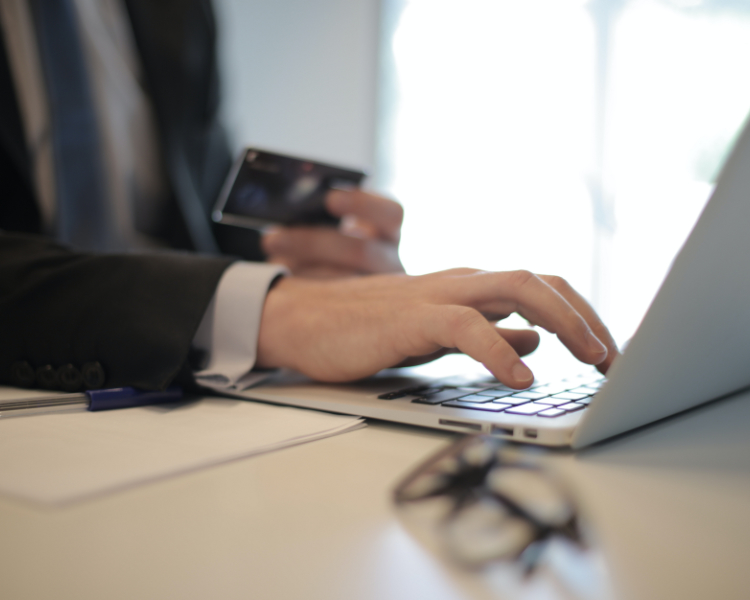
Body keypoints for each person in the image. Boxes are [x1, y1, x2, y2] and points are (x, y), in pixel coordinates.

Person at [0, 0, 618, 395]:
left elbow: (205, 204)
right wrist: (277, 310)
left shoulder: (174, 11)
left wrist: (331, 277)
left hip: (183, 391)